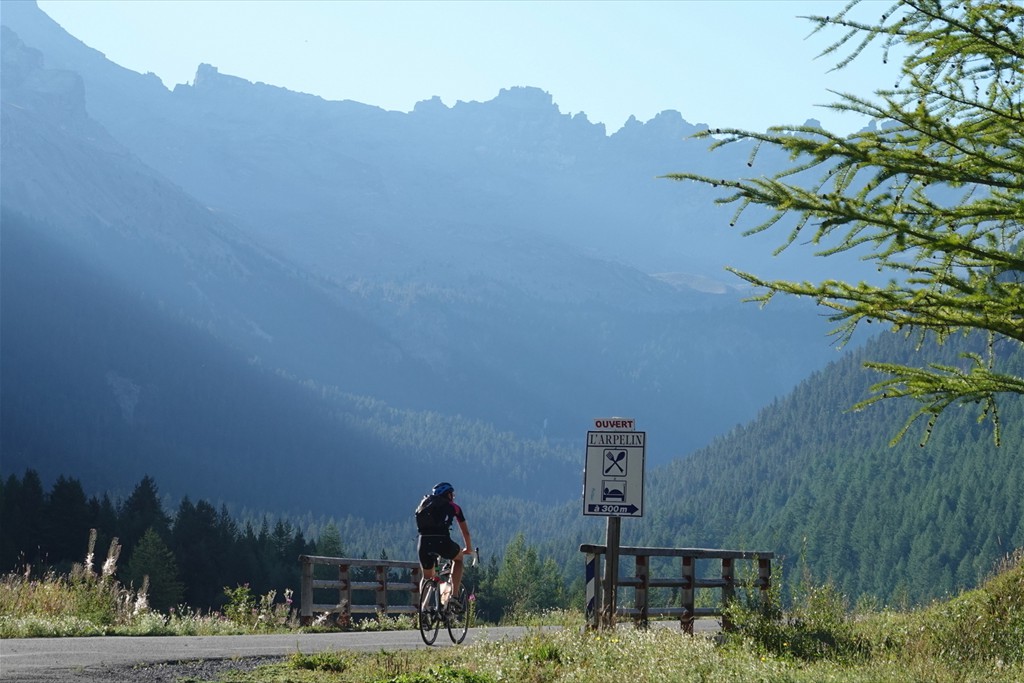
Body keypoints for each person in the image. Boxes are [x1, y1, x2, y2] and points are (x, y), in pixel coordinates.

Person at [416, 481, 472, 610]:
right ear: (448, 495)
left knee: (426, 577)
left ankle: (423, 609)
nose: (453, 496)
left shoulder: (424, 505)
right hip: (442, 542)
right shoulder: (454, 507)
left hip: (423, 542)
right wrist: (468, 548)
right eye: (452, 494)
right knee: (458, 559)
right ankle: (454, 596)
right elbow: (466, 532)